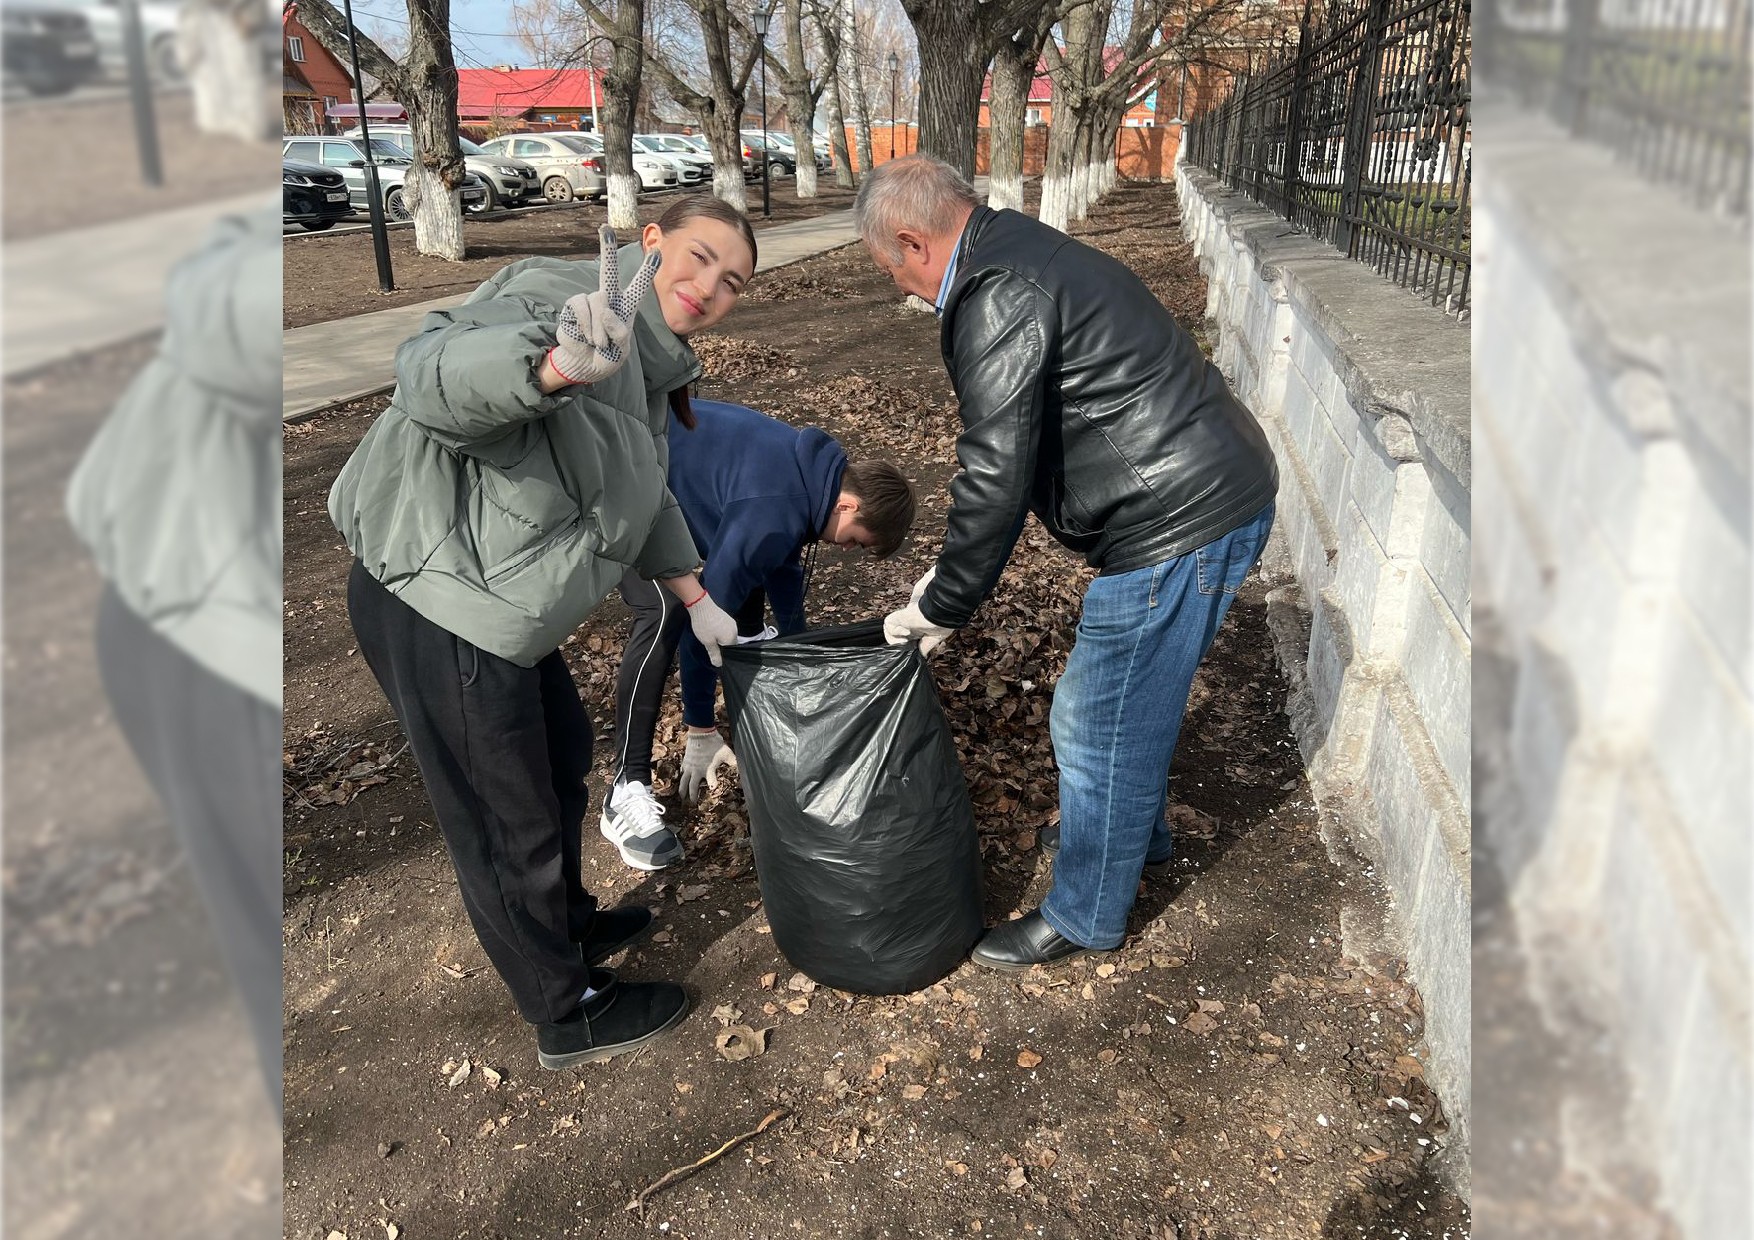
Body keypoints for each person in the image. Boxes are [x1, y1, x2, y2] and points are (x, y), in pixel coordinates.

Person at [328, 197, 758, 1069]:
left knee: (560, 762)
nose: (709, 286)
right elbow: (435, 375)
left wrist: (695, 597)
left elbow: (642, 493)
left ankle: (567, 923)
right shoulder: (557, 298)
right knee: (503, 817)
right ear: (651, 243)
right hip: (437, 591)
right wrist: (554, 363)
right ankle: (565, 1010)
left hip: (494, 604)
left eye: (733, 281)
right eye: (699, 257)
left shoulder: (651, 365)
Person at [858, 155, 1279, 972]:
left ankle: (1086, 914)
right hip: (1209, 487)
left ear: (914, 240)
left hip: (1176, 519)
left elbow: (994, 467)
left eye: (892, 270)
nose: (901, 289)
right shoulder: (1016, 250)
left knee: (1095, 718)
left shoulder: (997, 292)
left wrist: (944, 602)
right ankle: (1133, 834)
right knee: (1131, 704)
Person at [599, 398, 917, 869]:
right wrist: (700, 724)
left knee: (743, 593)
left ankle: (743, 686)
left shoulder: (811, 479)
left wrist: (798, 652)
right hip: (616, 478)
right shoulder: (775, 504)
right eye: (854, 540)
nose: (846, 550)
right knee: (667, 609)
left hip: (666, 468)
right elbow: (703, 617)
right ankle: (627, 784)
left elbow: (783, 565)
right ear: (848, 504)